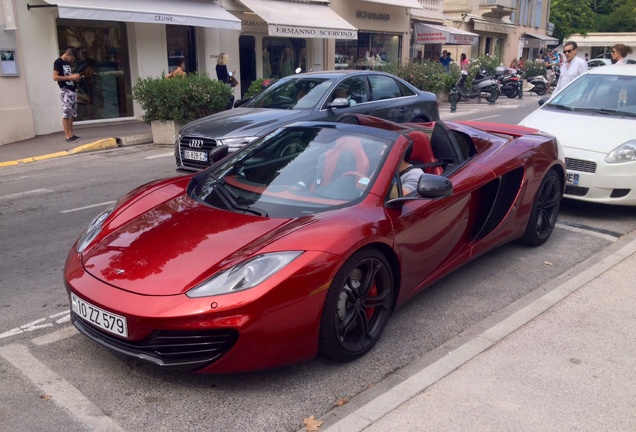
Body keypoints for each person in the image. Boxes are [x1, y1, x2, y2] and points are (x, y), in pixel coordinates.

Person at [53, 47, 82, 143]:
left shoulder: (67, 63)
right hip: (65, 90)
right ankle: (67, 136)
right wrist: (70, 77)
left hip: (72, 89)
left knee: (72, 113)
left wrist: (74, 77)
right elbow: (55, 77)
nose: (72, 60)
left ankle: (71, 133)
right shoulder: (58, 62)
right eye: (72, 58)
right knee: (66, 113)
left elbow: (67, 76)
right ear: (67, 54)